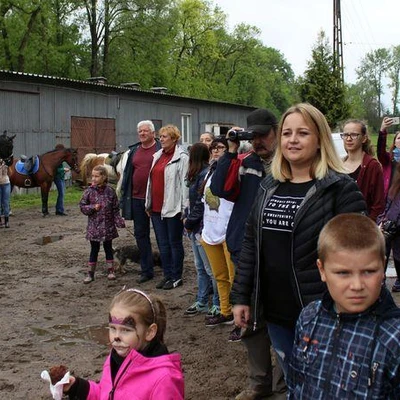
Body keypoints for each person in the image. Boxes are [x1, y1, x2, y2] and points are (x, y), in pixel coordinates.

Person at [231, 103, 367, 378]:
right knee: (295, 382)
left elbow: (362, 257)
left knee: (326, 386)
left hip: (324, 315)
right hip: (277, 314)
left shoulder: (340, 189)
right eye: (287, 133)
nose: (292, 140)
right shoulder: (269, 187)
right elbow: (251, 245)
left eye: (303, 133)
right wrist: (241, 297)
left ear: (319, 140)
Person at [211, 108, 284, 400]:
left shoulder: (288, 164)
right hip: (245, 249)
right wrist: (229, 153)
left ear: (276, 131)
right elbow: (218, 189)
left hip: (279, 253)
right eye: (252, 136)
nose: (257, 142)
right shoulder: (245, 162)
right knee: (250, 319)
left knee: (282, 318)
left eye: (263, 135)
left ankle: (283, 384)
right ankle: (259, 383)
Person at [287, 213, 400, 399]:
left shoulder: (394, 337)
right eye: (343, 273)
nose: (357, 286)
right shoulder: (308, 318)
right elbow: (295, 381)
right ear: (322, 270)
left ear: (383, 266)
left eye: (369, 271)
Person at [53, 288, 184, 399]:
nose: (116, 337)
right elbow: (107, 393)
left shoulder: (164, 379)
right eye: (112, 328)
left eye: (126, 330)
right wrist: (77, 387)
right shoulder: (115, 358)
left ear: (150, 332)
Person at [194, 137, 236, 329]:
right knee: (219, 275)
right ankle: (225, 311)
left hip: (228, 230)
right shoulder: (209, 172)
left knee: (233, 276)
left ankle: (237, 315)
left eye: (221, 147)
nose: (216, 151)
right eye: (213, 148)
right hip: (210, 230)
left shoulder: (235, 169)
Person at [145, 124, 189, 290]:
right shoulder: (157, 156)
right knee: (162, 244)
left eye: (164, 137)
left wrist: (185, 209)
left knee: (174, 243)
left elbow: (185, 185)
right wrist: (148, 203)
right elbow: (151, 182)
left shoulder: (182, 158)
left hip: (173, 208)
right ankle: (167, 275)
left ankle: (177, 276)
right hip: (156, 208)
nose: (161, 139)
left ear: (174, 139)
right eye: (161, 136)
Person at [120, 120, 161, 284]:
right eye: (140, 131)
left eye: (146, 131)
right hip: (137, 199)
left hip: (157, 199)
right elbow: (128, 175)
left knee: (161, 235)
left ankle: (169, 268)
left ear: (153, 133)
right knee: (141, 235)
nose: (143, 133)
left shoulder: (160, 149)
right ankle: (147, 270)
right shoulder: (133, 151)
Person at [183, 142, 219, 316]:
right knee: (200, 267)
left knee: (210, 268)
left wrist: (189, 222)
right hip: (195, 225)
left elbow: (200, 203)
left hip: (201, 227)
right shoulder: (197, 175)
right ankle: (202, 300)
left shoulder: (205, 175)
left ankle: (217, 304)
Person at [80, 165, 125, 283]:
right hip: (94, 227)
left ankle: (111, 271)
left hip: (108, 226)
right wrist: (92, 207)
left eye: (96, 176)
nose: (93, 179)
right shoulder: (88, 191)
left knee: (108, 248)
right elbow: (82, 207)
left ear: (104, 177)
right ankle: (90, 273)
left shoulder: (110, 191)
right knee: (94, 249)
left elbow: (115, 208)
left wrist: (118, 220)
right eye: (92, 176)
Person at [341, 119, 385, 221]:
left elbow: (378, 204)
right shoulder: (338, 165)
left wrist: (367, 226)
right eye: (345, 135)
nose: (348, 139)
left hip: (361, 228)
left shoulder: (372, 166)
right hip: (339, 227)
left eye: (354, 135)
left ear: (364, 138)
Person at [377, 161, 400, 292]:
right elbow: (390, 203)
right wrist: (383, 219)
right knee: (384, 252)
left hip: (395, 224)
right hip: (391, 225)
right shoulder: (395, 182)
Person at [377, 116, 400, 199]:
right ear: (394, 143)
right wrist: (383, 129)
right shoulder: (388, 159)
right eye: (399, 138)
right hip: (390, 199)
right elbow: (380, 152)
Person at [54, 144, 69, 216]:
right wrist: (63, 169)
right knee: (61, 193)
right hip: (58, 177)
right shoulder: (56, 159)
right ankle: (59, 210)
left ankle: (59, 209)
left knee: (62, 193)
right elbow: (55, 169)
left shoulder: (59, 158)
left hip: (61, 177)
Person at [0, 157, 12, 228]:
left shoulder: (5, 163)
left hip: (6, 183)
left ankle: (7, 221)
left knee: (6, 202)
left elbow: (10, 173)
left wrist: (7, 167)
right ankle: (0, 222)